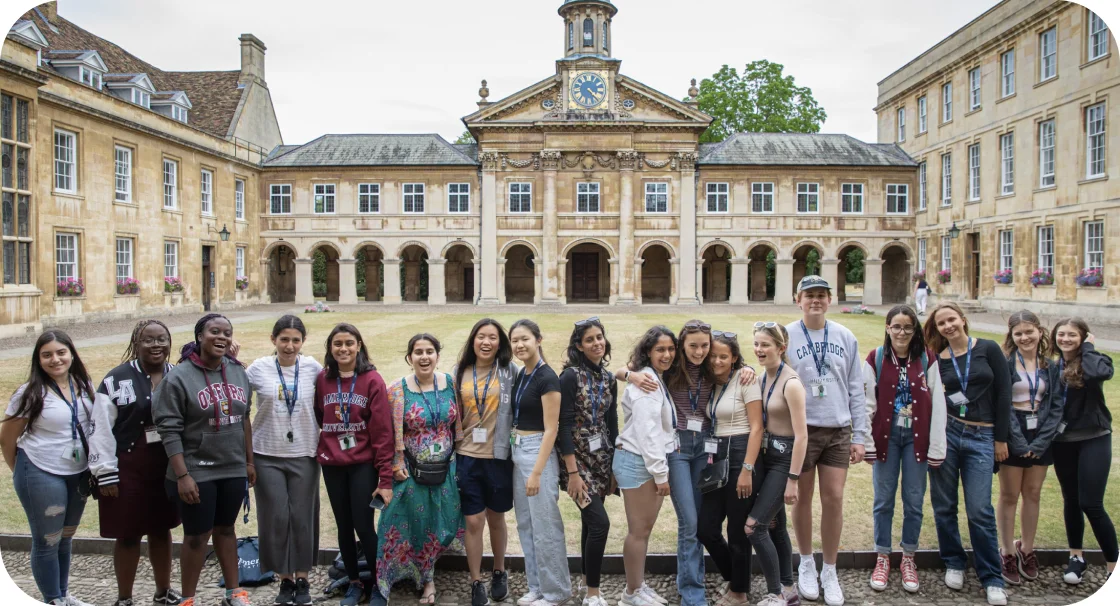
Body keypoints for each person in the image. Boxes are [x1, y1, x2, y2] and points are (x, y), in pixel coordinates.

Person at [152, 314, 255, 606]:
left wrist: (249, 462)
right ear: (200, 336)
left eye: (227, 332)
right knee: (197, 536)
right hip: (196, 469)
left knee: (227, 529)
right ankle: (188, 598)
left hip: (232, 466)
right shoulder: (179, 377)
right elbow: (168, 429)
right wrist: (182, 475)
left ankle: (234, 593)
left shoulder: (237, 371)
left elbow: (244, 419)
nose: (221, 337)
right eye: (214, 332)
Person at [784, 276, 867, 606]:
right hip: (801, 431)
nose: (815, 300)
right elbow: (772, 374)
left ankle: (829, 569)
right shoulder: (786, 335)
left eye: (821, 295)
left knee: (833, 498)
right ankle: (806, 562)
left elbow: (856, 389)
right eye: (809, 295)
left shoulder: (845, 335)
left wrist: (859, 436)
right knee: (802, 498)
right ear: (798, 299)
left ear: (829, 300)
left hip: (837, 429)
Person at [89, 320, 183, 606]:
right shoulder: (115, 379)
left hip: (165, 467)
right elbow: (100, 428)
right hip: (126, 467)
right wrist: (105, 474)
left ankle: (163, 591)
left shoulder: (179, 376)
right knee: (128, 534)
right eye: (148, 340)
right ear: (136, 343)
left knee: (161, 529)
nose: (156, 345)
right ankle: (125, 597)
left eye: (162, 339)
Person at [1, 330, 97, 606]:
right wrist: (23, 470)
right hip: (40, 471)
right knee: (47, 540)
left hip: (77, 473)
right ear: (38, 359)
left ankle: (64, 595)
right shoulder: (30, 392)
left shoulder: (83, 383)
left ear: (71, 353)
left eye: (60, 352)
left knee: (65, 538)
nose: (55, 360)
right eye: (47, 355)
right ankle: (52, 599)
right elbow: (7, 438)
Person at [924, 302, 1011, 606]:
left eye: (951, 319)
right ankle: (954, 562)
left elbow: (1004, 393)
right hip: (948, 434)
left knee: (979, 509)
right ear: (937, 329)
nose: (948, 326)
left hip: (982, 435)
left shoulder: (988, 348)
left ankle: (992, 577)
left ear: (962, 319)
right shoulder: (937, 359)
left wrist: (1001, 439)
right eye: (941, 323)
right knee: (945, 505)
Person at [862, 306, 946, 593]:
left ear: (915, 330)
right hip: (886, 437)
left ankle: (908, 556)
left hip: (916, 438)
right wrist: (867, 442)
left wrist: (937, 446)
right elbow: (867, 403)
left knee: (913, 499)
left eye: (907, 327)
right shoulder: (875, 358)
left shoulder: (927, 358)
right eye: (896, 327)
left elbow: (938, 405)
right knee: (883, 499)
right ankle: (883, 556)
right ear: (887, 328)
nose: (901, 332)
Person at [377, 334, 465, 603]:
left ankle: (428, 570)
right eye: (418, 352)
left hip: (446, 469)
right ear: (409, 357)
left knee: (441, 524)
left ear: (438, 355)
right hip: (411, 470)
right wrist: (396, 463)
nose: (424, 357)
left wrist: (459, 457)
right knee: (404, 523)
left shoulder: (450, 383)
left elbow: (457, 425)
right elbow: (389, 433)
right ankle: (408, 579)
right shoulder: (397, 390)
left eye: (429, 351)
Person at [314, 323, 394, 606]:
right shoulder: (323, 380)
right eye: (337, 344)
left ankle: (377, 584)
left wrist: (385, 478)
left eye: (349, 343)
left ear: (359, 345)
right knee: (343, 524)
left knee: (363, 524)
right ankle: (354, 582)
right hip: (332, 463)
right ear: (330, 348)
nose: (343, 349)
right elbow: (319, 416)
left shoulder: (372, 380)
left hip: (362, 463)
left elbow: (383, 433)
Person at [245, 315, 323, 606]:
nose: (289, 346)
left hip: (304, 452)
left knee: (302, 517)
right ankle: (284, 579)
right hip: (266, 453)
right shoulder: (258, 368)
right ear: (273, 340)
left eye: (295, 340)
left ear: (303, 342)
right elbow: (236, 395)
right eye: (284, 339)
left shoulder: (314, 368)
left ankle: (302, 578)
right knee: (275, 517)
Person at [452, 318, 518, 606]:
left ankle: (500, 570)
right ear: (473, 340)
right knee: (473, 520)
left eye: (493, 337)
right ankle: (476, 580)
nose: (487, 342)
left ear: (500, 343)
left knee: (496, 517)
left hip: (499, 456)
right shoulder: (459, 372)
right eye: (481, 336)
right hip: (467, 456)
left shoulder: (509, 371)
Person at [507, 319, 572, 606]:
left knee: (545, 526)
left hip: (538, 455)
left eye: (525, 339)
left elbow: (552, 429)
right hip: (518, 450)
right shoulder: (523, 373)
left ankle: (556, 592)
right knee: (526, 525)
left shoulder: (548, 377)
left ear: (538, 339)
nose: (519, 345)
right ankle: (537, 586)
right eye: (515, 340)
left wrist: (536, 473)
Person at [696, 330, 763, 606]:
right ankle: (733, 577)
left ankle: (739, 593)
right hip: (716, 457)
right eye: (713, 355)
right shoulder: (710, 382)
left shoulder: (746, 379)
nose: (716, 361)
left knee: (736, 529)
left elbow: (758, 427)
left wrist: (747, 469)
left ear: (734, 357)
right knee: (706, 528)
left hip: (741, 453)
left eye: (723, 356)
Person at [997, 311, 1064, 586]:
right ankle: (1008, 552)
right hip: (1013, 428)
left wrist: (1040, 442)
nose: (1025, 337)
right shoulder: (1006, 363)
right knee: (1010, 494)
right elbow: (1002, 403)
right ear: (1012, 337)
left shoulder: (1050, 365)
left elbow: (1057, 405)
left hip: (1042, 432)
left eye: (1029, 331)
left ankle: (1027, 548)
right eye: (1019, 333)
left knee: (1033, 493)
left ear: (1039, 331)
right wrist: (1019, 442)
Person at [1049, 317, 1116, 584]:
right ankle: (1076, 556)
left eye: (1073, 335)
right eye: (1061, 334)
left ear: (1084, 337)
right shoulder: (1053, 367)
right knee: (1072, 500)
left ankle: (1112, 566)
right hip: (1063, 442)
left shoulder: (1095, 361)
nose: (1065, 339)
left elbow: (1098, 374)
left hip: (1093, 438)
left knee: (1092, 503)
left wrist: (1088, 348)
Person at [558, 317, 619, 606]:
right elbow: (563, 423)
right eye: (590, 339)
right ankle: (593, 592)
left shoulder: (608, 378)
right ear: (579, 346)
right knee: (599, 524)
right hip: (576, 461)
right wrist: (572, 472)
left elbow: (612, 421)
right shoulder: (570, 377)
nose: (597, 343)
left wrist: (614, 465)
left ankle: (586, 581)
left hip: (602, 459)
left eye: (600, 337)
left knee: (590, 523)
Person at [614, 326, 677, 606]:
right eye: (660, 350)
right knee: (638, 530)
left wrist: (626, 372)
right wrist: (661, 474)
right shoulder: (647, 383)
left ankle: (637, 585)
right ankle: (631, 592)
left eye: (671, 349)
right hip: (640, 462)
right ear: (648, 352)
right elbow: (647, 432)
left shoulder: (651, 376)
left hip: (644, 461)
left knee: (644, 529)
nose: (667, 355)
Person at [746, 322, 807, 606]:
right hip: (766, 458)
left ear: (781, 348)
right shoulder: (762, 376)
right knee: (775, 527)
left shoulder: (791, 383)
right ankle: (788, 589)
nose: (759, 350)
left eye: (765, 345)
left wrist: (793, 479)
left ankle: (774, 593)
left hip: (783, 462)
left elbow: (802, 435)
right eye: (757, 344)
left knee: (754, 527)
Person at [663, 319, 717, 606]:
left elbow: (739, 366)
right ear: (682, 345)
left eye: (704, 345)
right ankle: (692, 593)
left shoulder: (714, 367)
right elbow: (629, 369)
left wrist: (745, 370)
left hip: (704, 447)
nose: (699, 351)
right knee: (689, 520)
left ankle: (691, 577)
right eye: (693, 345)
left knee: (698, 519)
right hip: (678, 449)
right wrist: (629, 375)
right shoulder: (671, 368)